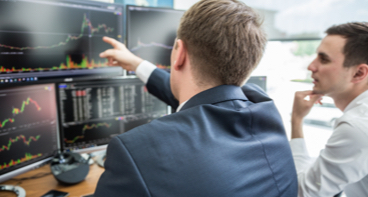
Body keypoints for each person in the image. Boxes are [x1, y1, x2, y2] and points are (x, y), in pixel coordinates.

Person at [94, 0, 297, 196]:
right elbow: (198, 98)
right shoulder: (264, 111)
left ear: (180, 53)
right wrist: (137, 64)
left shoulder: (135, 153)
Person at [290, 22, 368, 197]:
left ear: (359, 74)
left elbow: (302, 192)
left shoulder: (357, 127)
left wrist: (296, 121)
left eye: (323, 59)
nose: (311, 66)